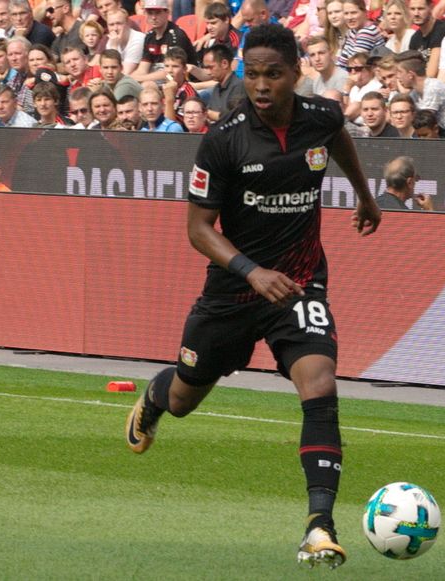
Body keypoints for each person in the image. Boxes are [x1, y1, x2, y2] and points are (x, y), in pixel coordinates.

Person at [125, 23, 380, 571]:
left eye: (274, 74)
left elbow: (338, 138)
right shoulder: (224, 138)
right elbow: (198, 229)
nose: (261, 85)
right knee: (183, 399)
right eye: (253, 74)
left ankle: (320, 525)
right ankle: (153, 398)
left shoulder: (322, 116)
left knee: (320, 383)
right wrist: (252, 271)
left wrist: (364, 195)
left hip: (300, 282)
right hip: (233, 292)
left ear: (296, 73)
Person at [396, 50, 445, 136]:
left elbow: (424, 121)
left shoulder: (433, 87)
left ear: (410, 74)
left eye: (399, 72)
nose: (397, 76)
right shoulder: (414, 94)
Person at [132, 0, 197, 84]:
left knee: (148, 85)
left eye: (158, 13)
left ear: (167, 13)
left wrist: (140, 79)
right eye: (150, 13)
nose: (153, 17)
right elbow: (143, 69)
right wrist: (128, 79)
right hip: (157, 80)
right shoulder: (149, 36)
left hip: (182, 82)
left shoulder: (176, 36)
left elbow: (170, 72)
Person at [407, 0, 445, 78]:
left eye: (420, 9)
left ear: (431, 8)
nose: (416, 13)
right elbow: (411, 69)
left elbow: (431, 74)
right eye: (412, 9)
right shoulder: (414, 38)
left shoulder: (442, 30)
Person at [336, 0, 385, 69]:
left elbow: (355, 65)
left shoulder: (367, 32)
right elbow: (342, 61)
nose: (349, 17)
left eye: (353, 13)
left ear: (365, 12)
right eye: (346, 13)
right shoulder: (353, 30)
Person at [203, 43, 245, 121]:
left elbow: (236, 118)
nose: (208, 72)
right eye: (206, 68)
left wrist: (208, 114)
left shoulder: (239, 86)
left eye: (210, 67)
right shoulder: (216, 89)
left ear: (224, 64)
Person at [162, 46, 198, 126]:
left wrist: (169, 100)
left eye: (175, 66)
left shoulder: (189, 95)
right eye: (166, 66)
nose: (170, 71)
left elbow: (174, 128)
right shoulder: (162, 89)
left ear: (184, 69)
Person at [104, 8, 145, 75]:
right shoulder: (111, 41)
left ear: (128, 23)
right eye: (111, 24)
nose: (115, 28)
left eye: (119, 23)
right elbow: (109, 70)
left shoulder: (138, 39)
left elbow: (125, 73)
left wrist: (114, 47)